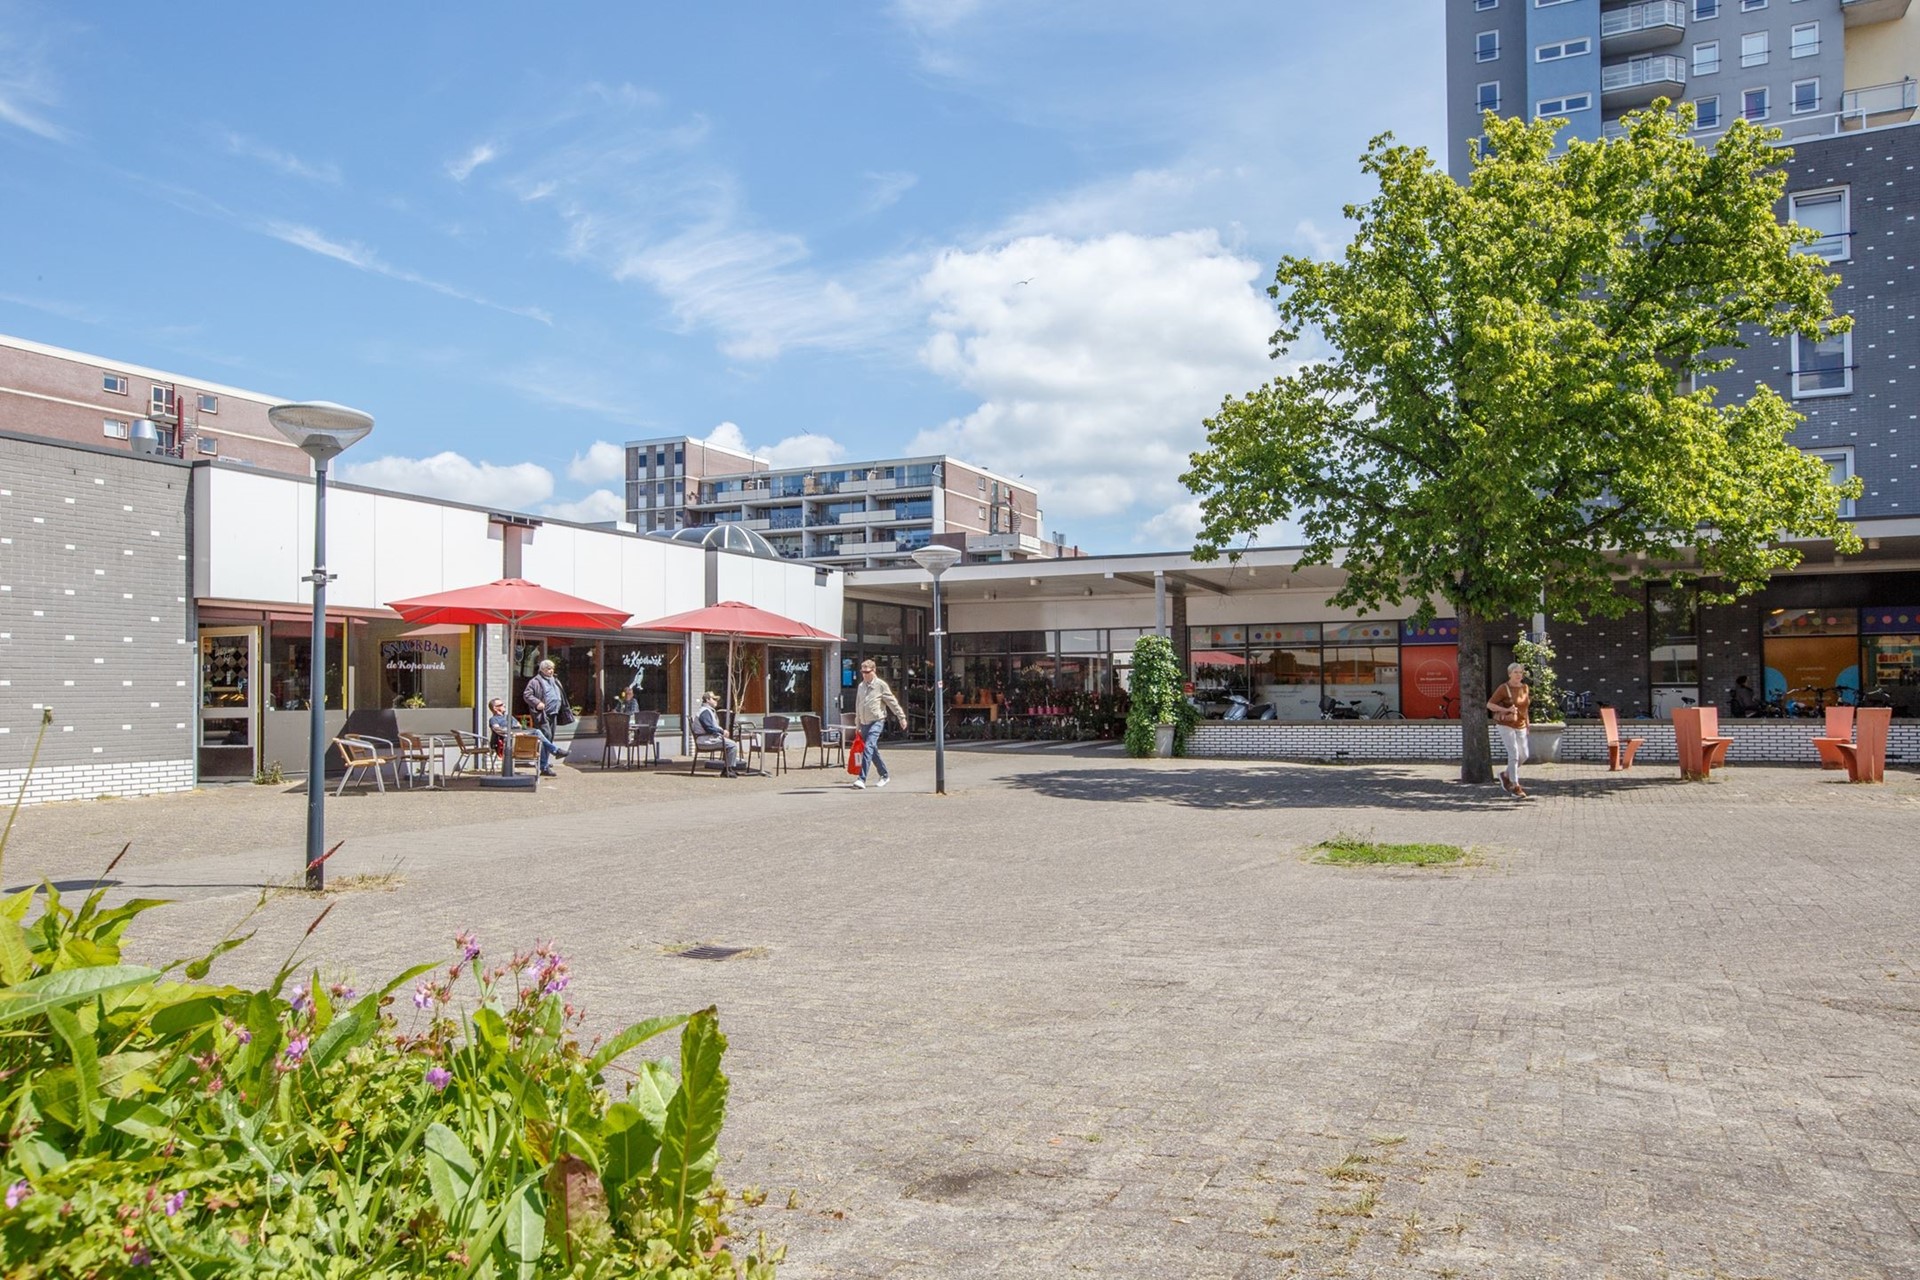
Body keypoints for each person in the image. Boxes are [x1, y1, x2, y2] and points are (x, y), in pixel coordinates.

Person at [852, 659, 907, 790]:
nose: (864, 675)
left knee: (868, 747)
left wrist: (901, 717)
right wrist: (857, 725)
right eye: (863, 672)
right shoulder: (861, 686)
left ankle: (861, 779)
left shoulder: (881, 685)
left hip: (877, 721)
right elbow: (858, 705)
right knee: (873, 751)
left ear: (874, 671)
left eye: (867, 672)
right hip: (864, 723)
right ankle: (884, 775)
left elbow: (892, 702)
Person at [1487, 662, 1531, 798]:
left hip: (1521, 724)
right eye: (1515, 672)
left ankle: (1505, 774)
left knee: (1524, 755)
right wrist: (1506, 710)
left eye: (1520, 672)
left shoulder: (1525, 687)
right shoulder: (1504, 688)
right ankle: (1515, 786)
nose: (1518, 675)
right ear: (1509, 674)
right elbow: (1490, 705)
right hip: (1505, 724)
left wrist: (1527, 724)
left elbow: (1525, 708)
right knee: (1514, 754)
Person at [520, 659, 570, 777]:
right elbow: (527, 695)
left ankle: (545, 762)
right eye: (548, 669)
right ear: (542, 669)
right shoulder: (535, 681)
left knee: (549, 738)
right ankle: (544, 765)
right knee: (545, 737)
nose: (551, 671)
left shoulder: (555, 680)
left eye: (552, 668)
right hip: (543, 715)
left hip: (554, 713)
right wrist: (537, 703)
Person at [487, 697, 560, 768]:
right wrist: (513, 734)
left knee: (539, 738)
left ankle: (547, 762)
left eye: (503, 704)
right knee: (537, 733)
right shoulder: (494, 719)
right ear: (495, 708)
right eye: (501, 705)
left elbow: (519, 726)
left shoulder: (509, 717)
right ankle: (552, 754)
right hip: (507, 743)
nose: (504, 705)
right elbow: (498, 730)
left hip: (520, 740)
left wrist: (521, 732)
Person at [692, 691, 740, 777]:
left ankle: (728, 769)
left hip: (707, 739)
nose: (716, 701)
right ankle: (727, 770)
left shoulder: (707, 711)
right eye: (714, 699)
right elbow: (709, 728)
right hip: (705, 741)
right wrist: (722, 732)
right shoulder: (705, 712)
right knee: (732, 745)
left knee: (729, 743)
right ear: (707, 700)